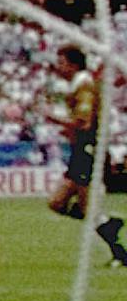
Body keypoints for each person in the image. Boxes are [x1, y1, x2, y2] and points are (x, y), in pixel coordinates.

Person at [45, 46, 127, 266]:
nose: (58, 66)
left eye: (61, 62)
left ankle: (120, 252)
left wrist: (53, 119)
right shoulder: (78, 84)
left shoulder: (84, 85)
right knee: (57, 202)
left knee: (87, 207)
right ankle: (109, 225)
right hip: (80, 150)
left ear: (73, 64)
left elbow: (84, 122)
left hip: (88, 149)